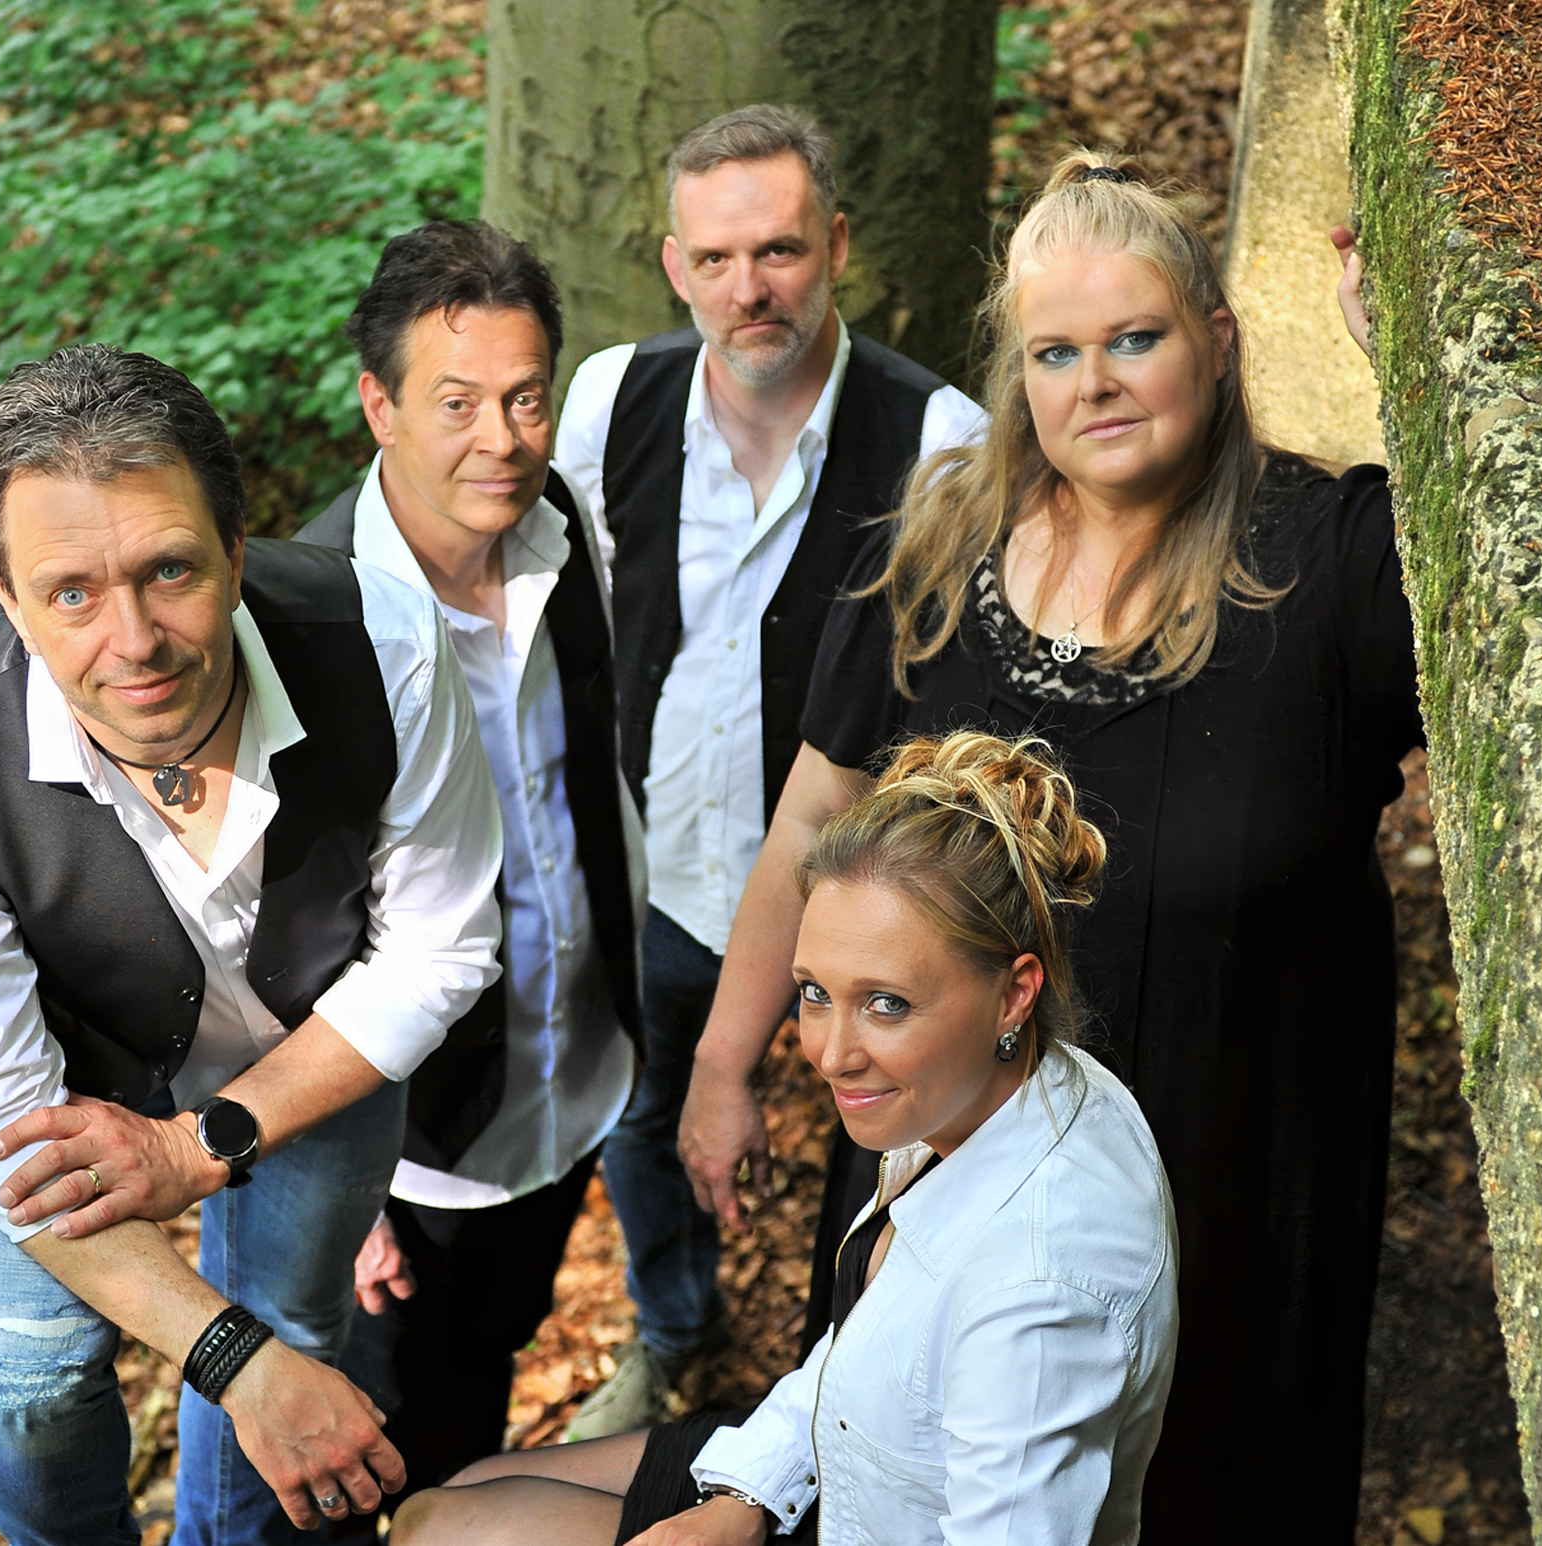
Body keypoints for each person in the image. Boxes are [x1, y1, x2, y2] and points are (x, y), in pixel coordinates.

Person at [678, 152, 1422, 1542]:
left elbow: (1532, 600)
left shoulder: (1333, 566)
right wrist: (724, 1063)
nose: (1097, 384)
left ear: (1216, 339)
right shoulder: (931, 551)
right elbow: (810, 827)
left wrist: (1415, 362)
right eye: (1055, 353)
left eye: (1135, 338)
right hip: (949, 1170)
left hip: (1229, 1168)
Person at [0, 344, 506, 1546]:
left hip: (326, 1044)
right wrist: (228, 1357)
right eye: (70, 593)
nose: (135, 640)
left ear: (235, 552)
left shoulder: (388, 643)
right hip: (67, 1087)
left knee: (295, 1326)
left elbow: (439, 947)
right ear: (5, 599)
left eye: (169, 571)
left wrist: (203, 1144)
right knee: (31, 1375)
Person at [389, 730, 1180, 1546]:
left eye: (886, 1003)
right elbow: (866, 1350)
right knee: (455, 1497)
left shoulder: (1037, 1297)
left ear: (1014, 994)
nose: (831, 1055)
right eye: (814, 991)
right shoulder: (983, 1093)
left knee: (438, 1530)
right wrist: (746, 1498)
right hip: (839, 1459)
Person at [550, 103, 985, 1436]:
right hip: (654, 874)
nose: (751, 288)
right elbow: (573, 618)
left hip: (861, 906)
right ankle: (675, 1331)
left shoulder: (940, 440)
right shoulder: (609, 398)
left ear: (836, 246)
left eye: (781, 250)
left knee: (905, 1146)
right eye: (718, 258)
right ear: (674, 266)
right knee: (642, 1118)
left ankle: (869, 1386)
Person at [292, 219, 646, 1511]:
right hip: (401, 1160)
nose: (501, 437)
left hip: (565, 1090)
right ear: (378, 405)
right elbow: (248, 937)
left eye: (524, 397)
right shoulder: (307, 619)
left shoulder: (560, 529)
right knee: (380, 1465)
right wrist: (331, 1184)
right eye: (456, 403)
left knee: (480, 1387)